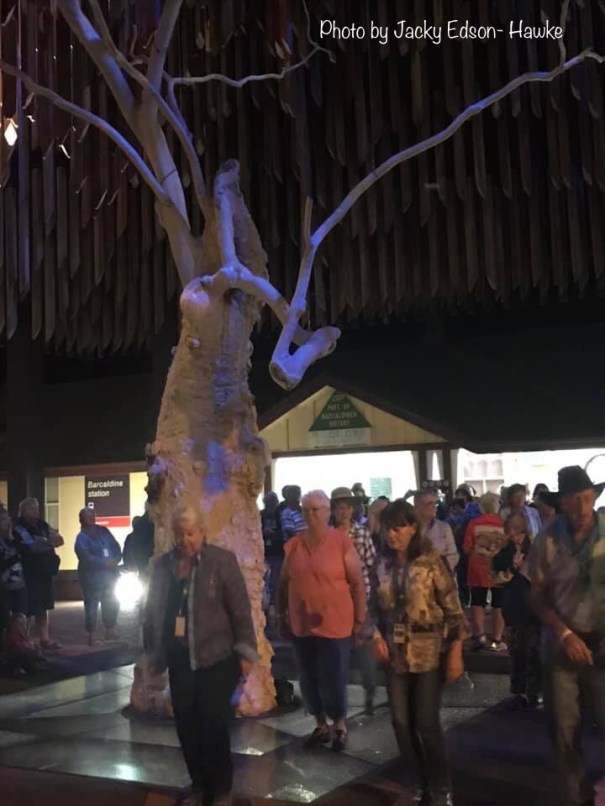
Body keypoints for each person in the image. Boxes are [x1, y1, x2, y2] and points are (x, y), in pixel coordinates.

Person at [143, 504, 258, 806]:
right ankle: (199, 785)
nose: (185, 540)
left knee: (213, 720)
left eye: (191, 533)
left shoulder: (222, 562)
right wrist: (154, 652)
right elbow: (153, 610)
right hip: (181, 659)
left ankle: (221, 789)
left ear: (202, 532)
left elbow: (240, 610)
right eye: (180, 534)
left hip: (217, 658)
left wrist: (246, 650)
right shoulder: (163, 566)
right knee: (186, 723)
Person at [371, 499, 467, 806]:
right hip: (396, 654)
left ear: (413, 528)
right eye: (388, 527)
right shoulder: (382, 563)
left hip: (429, 652)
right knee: (400, 722)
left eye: (398, 527)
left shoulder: (431, 561)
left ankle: (441, 786)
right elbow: (373, 607)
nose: (392, 534)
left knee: (426, 721)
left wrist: (455, 651)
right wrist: (375, 636)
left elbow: (453, 611)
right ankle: (415, 781)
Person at [529, 466, 605, 806]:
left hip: (603, 642)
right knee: (564, 729)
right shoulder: (546, 539)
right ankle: (577, 797)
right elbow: (536, 595)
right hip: (563, 643)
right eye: (575, 501)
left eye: (588, 499)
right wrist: (563, 633)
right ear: (562, 504)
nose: (583, 508)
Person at [276, 490, 366, 752]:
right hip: (302, 624)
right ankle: (320, 723)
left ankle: (339, 724)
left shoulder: (341, 542)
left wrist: (360, 619)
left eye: (316, 510)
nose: (311, 515)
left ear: (327, 512)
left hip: (336, 623)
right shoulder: (293, 545)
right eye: (306, 510)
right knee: (308, 676)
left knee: (335, 674)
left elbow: (357, 582)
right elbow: (283, 583)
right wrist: (281, 614)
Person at [331, 486, 377, 714]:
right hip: (335, 602)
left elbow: (371, 563)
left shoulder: (361, 532)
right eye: (339, 508)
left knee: (364, 647)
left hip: (361, 599)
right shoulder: (328, 536)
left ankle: (370, 689)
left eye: (347, 508)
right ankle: (339, 698)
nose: (344, 512)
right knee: (337, 651)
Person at [492, 513, 542, 709]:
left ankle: (533, 690)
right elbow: (496, 578)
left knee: (533, 651)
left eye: (518, 531)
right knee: (517, 650)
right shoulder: (503, 551)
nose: (515, 536)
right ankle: (518, 690)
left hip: (533, 606)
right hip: (513, 606)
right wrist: (513, 568)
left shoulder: (536, 548)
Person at [13, 497, 63, 650]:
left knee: (44, 606)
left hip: (45, 571)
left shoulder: (42, 525)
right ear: (23, 511)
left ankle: (45, 639)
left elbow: (60, 539)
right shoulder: (19, 527)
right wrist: (47, 542)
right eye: (32, 508)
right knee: (29, 607)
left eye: (37, 508)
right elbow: (32, 548)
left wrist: (43, 541)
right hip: (29, 571)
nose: (36, 511)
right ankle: (24, 639)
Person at [463, 492, 507, 652]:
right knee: (498, 604)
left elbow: (467, 547)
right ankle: (497, 639)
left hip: (477, 568)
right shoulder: (503, 524)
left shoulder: (474, 523)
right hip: (498, 569)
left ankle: (479, 636)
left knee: (477, 602)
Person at [75, 507, 122, 644]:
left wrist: (116, 559)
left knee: (112, 602)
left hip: (110, 576)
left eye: (93, 515)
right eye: (88, 516)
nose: (91, 518)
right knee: (91, 605)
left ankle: (110, 630)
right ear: (82, 519)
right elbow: (85, 557)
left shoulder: (104, 531)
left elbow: (115, 546)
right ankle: (92, 634)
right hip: (91, 577)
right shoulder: (81, 537)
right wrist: (105, 563)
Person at [414, 490, 459, 574]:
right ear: (417, 507)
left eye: (435, 503)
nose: (434, 507)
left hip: (440, 577)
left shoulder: (444, 528)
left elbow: (453, 555)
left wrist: (438, 569)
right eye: (429, 504)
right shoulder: (409, 530)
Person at [0, 507, 28, 617]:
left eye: (7, 519)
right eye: (2, 519)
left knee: (20, 619)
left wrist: (12, 538)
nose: (6, 523)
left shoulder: (15, 536)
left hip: (19, 585)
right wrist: (17, 557)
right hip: (4, 586)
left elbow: (26, 552)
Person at [260, 492, 285, 608]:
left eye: (272, 503)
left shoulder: (281, 516)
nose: (270, 505)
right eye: (267, 503)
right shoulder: (260, 515)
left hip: (277, 553)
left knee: (276, 581)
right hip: (263, 554)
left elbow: (284, 534)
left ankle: (275, 606)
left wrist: (273, 535)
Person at [122, 507, 155, 579]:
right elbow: (127, 552)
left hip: (142, 567)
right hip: (138, 567)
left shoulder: (140, 537)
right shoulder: (131, 537)